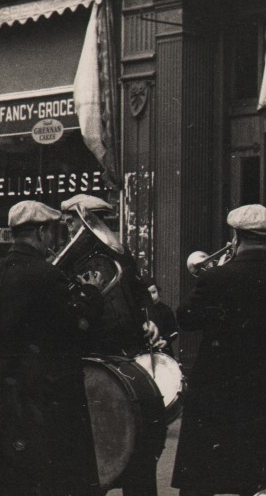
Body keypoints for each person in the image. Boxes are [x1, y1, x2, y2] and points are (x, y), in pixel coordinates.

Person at [171, 204, 266, 496]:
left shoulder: (217, 277)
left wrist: (211, 279)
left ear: (236, 237)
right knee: (256, 475)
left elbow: (185, 319)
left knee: (202, 476)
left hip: (218, 388)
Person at [0, 200, 107, 496]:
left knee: (15, 471)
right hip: (45, 384)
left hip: (8, 382)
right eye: (50, 232)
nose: (53, 239)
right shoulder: (46, 274)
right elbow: (74, 327)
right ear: (40, 231)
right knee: (53, 473)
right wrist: (92, 294)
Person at [59, 193, 165, 496]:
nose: (68, 227)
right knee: (100, 444)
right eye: (67, 222)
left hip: (128, 351)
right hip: (91, 354)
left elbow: (142, 291)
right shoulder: (68, 260)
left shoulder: (120, 255)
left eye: (74, 222)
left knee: (140, 441)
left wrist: (150, 319)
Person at [142, 276, 178, 357]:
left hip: (163, 350)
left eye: (154, 292)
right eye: (148, 294)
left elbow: (174, 330)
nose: (152, 296)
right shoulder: (140, 311)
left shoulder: (165, 309)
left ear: (158, 291)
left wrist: (166, 340)